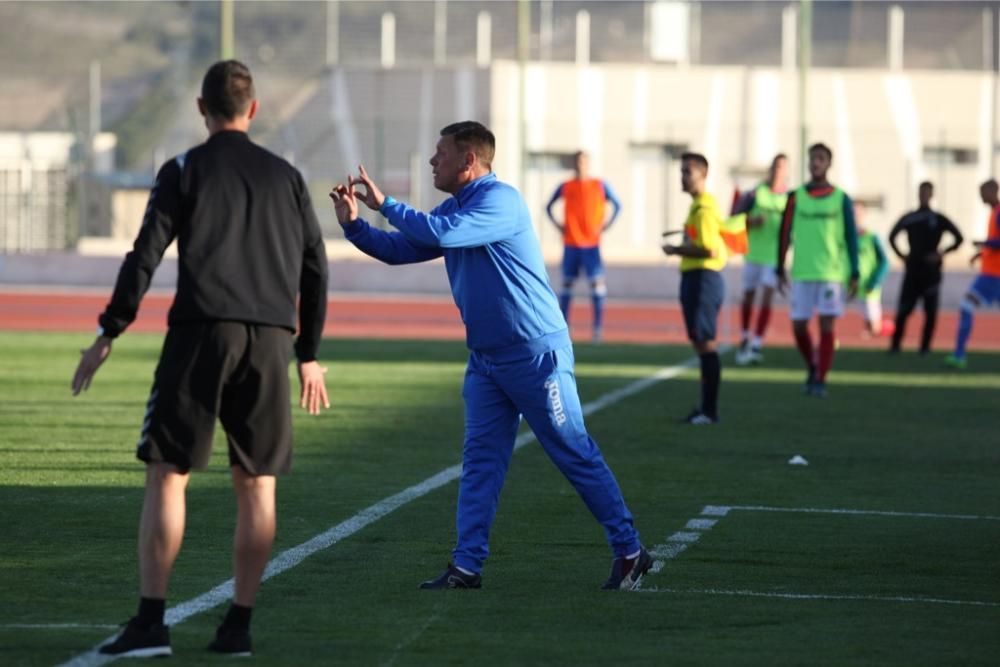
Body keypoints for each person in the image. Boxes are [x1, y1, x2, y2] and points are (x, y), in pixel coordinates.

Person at [70, 60, 330, 658]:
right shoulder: (287, 177)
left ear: (201, 109)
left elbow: (146, 253)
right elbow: (316, 268)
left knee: (167, 472)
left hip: (201, 333)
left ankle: (151, 623)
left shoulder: (184, 168)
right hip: (269, 340)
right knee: (256, 484)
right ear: (254, 109)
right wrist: (308, 353)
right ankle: (237, 627)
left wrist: (110, 329)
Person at [329, 121, 650, 591]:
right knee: (480, 463)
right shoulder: (454, 208)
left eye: (440, 153)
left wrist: (386, 205)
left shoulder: (500, 201)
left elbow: (441, 232)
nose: (433, 161)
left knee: (573, 451)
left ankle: (630, 550)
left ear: (469, 161)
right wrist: (354, 224)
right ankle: (467, 566)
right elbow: (400, 249)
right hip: (486, 361)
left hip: (536, 356)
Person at [777, 142, 859, 397]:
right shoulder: (796, 196)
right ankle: (813, 364)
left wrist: (854, 271)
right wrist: (779, 266)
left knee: (826, 327)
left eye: (821, 158)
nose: (815, 163)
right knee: (799, 326)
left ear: (829, 163)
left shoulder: (841, 198)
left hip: (830, 273)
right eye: (813, 158)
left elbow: (851, 237)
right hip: (802, 271)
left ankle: (820, 380)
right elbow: (784, 233)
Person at [662, 153, 726, 425]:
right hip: (697, 278)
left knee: (706, 344)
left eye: (688, 171)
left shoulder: (704, 208)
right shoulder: (697, 207)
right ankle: (705, 408)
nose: (683, 177)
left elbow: (709, 248)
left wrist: (677, 248)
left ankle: (709, 411)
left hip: (703, 278)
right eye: (682, 171)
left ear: (703, 174)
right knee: (701, 344)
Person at [545, 150, 622, 343]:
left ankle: (597, 329)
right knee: (566, 287)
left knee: (597, 287)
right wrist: (557, 225)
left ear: (588, 164)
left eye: (584, 161)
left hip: (591, 244)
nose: (580, 165)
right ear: (574, 164)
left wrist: (607, 224)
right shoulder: (566, 186)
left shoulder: (599, 185)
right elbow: (548, 206)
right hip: (571, 243)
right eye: (578, 161)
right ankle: (564, 328)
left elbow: (618, 205)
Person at [888, 181, 963, 353]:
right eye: (921, 192)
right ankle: (895, 346)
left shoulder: (938, 218)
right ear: (918, 194)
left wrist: (941, 253)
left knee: (930, 312)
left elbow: (959, 238)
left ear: (931, 195)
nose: (924, 195)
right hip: (913, 269)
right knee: (903, 309)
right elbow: (892, 236)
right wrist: (902, 255)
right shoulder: (910, 217)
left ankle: (925, 348)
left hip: (931, 272)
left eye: (927, 192)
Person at [732, 153, 789, 365]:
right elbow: (735, 217)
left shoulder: (788, 198)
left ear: (787, 172)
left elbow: (790, 227)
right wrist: (750, 221)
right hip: (753, 254)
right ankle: (745, 334)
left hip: (773, 258)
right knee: (748, 296)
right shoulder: (756, 193)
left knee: (767, 297)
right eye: (776, 166)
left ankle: (757, 342)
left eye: (783, 167)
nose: (778, 171)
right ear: (770, 168)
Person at [945, 179, 1000, 369]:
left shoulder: (999, 213)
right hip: (991, 274)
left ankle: (959, 355)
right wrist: (981, 253)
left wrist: (984, 244)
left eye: (983, 192)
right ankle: (959, 354)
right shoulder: (994, 212)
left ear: (993, 191)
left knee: (965, 305)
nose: (981, 197)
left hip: (993, 277)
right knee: (966, 306)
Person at [853, 203, 890, 337]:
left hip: (869, 284)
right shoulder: (848, 237)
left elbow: (885, 262)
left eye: (858, 213)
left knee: (874, 326)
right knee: (865, 320)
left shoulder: (871, 237)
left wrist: (875, 280)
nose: (855, 216)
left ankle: (888, 328)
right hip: (854, 284)